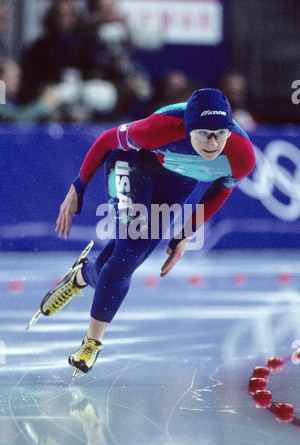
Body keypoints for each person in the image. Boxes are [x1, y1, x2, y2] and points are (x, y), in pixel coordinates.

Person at [27, 88, 256, 379]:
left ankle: (81, 276)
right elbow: (106, 140)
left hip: (175, 187)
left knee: (125, 259)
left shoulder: (242, 154)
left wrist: (185, 235)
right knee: (126, 255)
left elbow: (219, 191)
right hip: (133, 164)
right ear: (187, 128)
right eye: (203, 134)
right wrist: (77, 187)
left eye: (220, 134)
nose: (212, 143)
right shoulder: (159, 129)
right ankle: (91, 343)